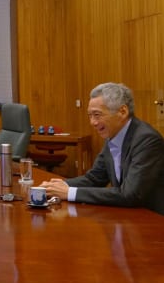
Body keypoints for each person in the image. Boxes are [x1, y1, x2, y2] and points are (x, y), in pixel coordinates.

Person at [43, 82, 164, 214]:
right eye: (90, 115)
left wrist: (70, 193)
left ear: (122, 112)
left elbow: (130, 194)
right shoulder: (112, 136)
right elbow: (95, 178)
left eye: (97, 115)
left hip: (152, 220)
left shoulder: (146, 140)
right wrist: (60, 186)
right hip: (128, 217)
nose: (93, 122)